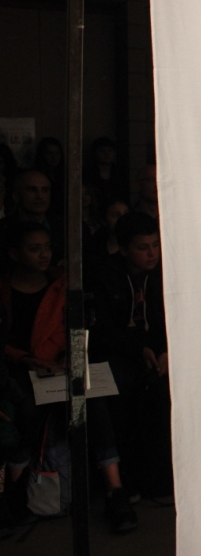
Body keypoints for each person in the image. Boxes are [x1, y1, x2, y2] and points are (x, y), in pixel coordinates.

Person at [1, 222, 138, 533]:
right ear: (14, 253)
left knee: (93, 402)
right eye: (34, 249)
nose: (43, 255)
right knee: (25, 410)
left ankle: (115, 490)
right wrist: (25, 358)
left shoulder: (60, 285)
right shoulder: (5, 290)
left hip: (59, 368)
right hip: (19, 371)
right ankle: (13, 493)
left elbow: (73, 330)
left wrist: (67, 355)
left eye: (47, 248)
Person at [90, 211, 172, 500]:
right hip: (120, 353)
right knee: (120, 395)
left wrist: (165, 350)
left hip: (158, 351)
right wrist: (139, 349)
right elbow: (102, 330)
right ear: (124, 249)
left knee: (163, 394)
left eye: (156, 245)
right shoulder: (104, 275)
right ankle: (126, 479)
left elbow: (169, 320)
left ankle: (163, 480)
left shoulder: (165, 273)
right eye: (143, 247)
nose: (152, 254)